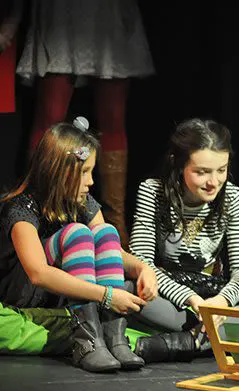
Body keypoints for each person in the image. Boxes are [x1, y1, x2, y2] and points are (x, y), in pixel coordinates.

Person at [0, 119, 158, 372]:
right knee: (75, 233)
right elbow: (38, 273)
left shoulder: (83, 203)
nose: (91, 181)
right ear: (57, 170)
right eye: (84, 172)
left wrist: (143, 268)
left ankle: (113, 336)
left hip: (66, 293)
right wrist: (107, 297)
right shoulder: (20, 209)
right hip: (25, 294)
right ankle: (87, 340)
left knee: (105, 231)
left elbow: (112, 251)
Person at [128, 118, 239, 363]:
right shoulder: (152, 192)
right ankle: (212, 337)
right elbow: (142, 262)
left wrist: (221, 302)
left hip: (214, 295)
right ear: (178, 164)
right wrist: (190, 299)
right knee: (125, 290)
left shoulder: (233, 198)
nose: (213, 181)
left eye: (221, 170)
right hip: (171, 298)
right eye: (202, 172)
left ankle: (186, 342)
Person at [15, 0, 155, 247]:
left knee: (113, 117)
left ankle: (115, 221)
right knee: (50, 117)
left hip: (107, 10)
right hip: (63, 9)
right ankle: (35, 212)